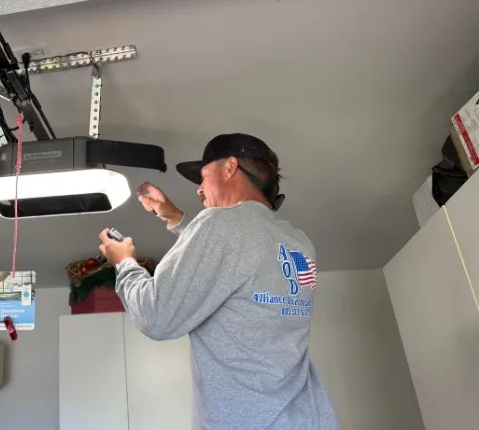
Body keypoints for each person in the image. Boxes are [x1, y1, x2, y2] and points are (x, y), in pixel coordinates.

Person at [98, 133, 339, 430]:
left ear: (230, 168)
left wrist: (124, 263)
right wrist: (173, 216)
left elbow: (156, 316)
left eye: (203, 177)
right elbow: (233, 261)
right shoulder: (298, 241)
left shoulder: (218, 224)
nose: (199, 190)